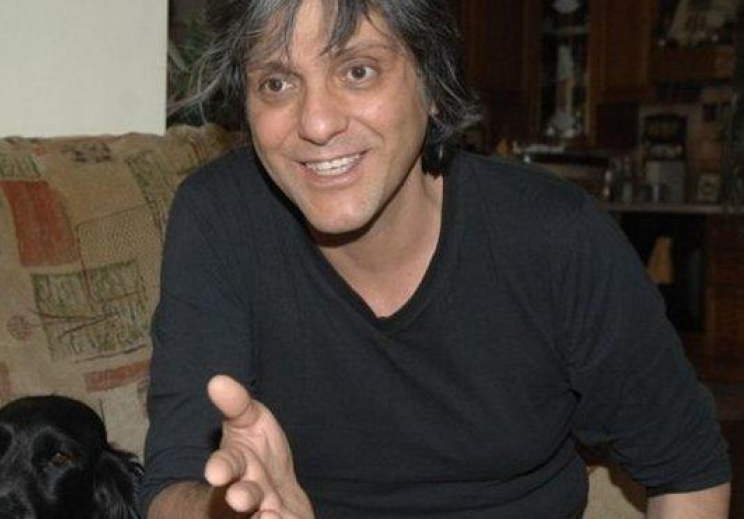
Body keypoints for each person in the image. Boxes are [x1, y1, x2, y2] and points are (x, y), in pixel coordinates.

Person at [141, 0, 732, 517]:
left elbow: (688, 465)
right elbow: (171, 486)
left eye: (358, 70)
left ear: (432, 83)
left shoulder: (553, 236)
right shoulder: (220, 219)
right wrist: (226, 511)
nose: (316, 123)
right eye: (276, 83)